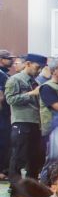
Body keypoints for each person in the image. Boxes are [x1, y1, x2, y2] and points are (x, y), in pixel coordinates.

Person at [6, 53, 47, 181]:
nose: (39, 70)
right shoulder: (15, 80)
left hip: (35, 123)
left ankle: (31, 187)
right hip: (21, 122)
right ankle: (16, 189)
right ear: (28, 64)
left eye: (41, 68)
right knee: (18, 157)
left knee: (34, 159)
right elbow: (10, 99)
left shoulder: (36, 82)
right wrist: (31, 94)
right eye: (37, 67)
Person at [0, 49, 12, 181]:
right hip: (2, 115)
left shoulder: (4, 74)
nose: (12, 61)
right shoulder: (1, 75)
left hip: (4, 115)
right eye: (8, 58)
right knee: (2, 142)